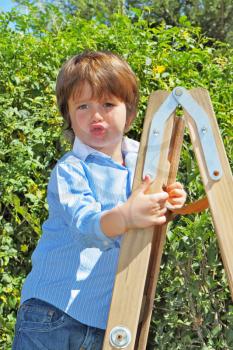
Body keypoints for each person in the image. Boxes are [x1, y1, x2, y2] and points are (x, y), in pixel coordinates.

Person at [12, 51, 186, 350]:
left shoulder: (142, 165)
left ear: (129, 114)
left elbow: (146, 222)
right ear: (68, 115)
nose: (96, 115)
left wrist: (167, 202)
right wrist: (128, 216)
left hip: (107, 317)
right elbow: (87, 223)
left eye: (108, 104)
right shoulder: (71, 169)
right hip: (54, 311)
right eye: (83, 106)